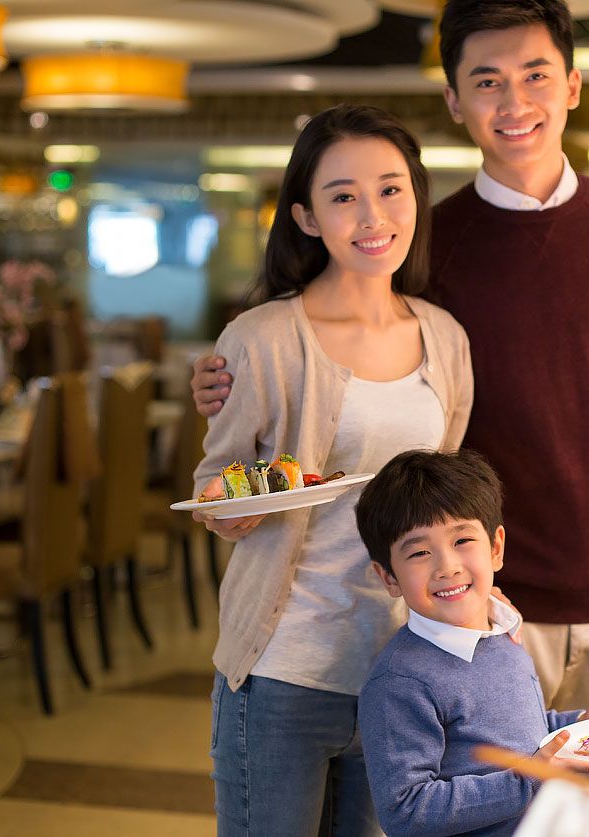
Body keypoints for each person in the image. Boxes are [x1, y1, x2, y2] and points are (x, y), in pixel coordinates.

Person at [190, 0, 589, 714]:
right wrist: (233, 374)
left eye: (535, 76)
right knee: (484, 810)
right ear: (454, 100)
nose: (514, 102)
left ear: (573, 86)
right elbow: (339, 326)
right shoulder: (429, 243)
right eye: (487, 82)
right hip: (468, 591)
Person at [196, 104, 473, 836]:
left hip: (401, 673)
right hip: (287, 666)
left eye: (390, 189)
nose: (371, 214)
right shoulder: (261, 338)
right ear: (307, 217)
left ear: (415, 198)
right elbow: (216, 482)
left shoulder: (443, 338)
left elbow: (441, 502)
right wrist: (242, 502)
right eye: (342, 195)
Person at [354, 449, 589, 837]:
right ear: (389, 578)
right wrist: (532, 777)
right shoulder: (400, 683)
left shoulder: (503, 634)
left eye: (462, 539)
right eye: (419, 552)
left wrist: (579, 724)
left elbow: (519, 731)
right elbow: (406, 811)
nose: (447, 566)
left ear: (496, 547)